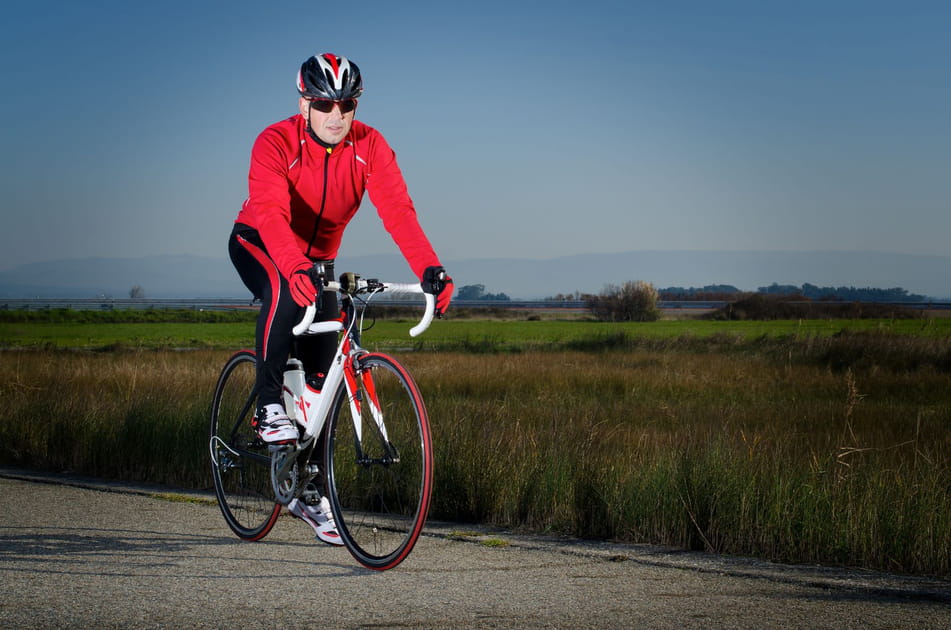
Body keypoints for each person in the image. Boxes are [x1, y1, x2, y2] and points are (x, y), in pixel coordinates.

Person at [228, 53, 453, 543]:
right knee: (288, 295)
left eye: (347, 104)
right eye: (325, 104)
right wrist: (292, 265)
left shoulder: (369, 146)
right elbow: (268, 211)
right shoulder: (275, 141)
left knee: (324, 373)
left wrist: (429, 269)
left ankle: (305, 491)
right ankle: (268, 405)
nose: (336, 116)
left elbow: (398, 211)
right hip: (261, 241)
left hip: (318, 260)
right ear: (304, 102)